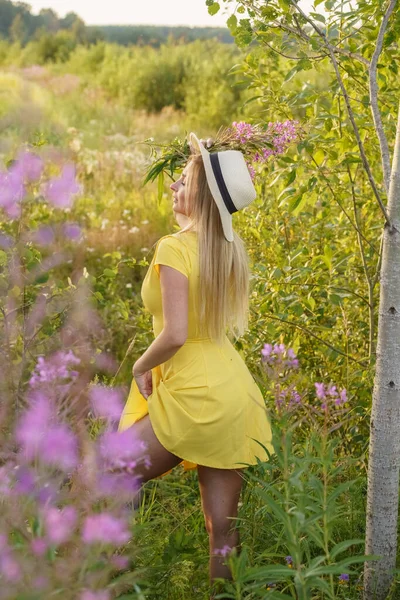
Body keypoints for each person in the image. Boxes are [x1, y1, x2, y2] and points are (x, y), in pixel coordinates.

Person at [118, 133, 274, 596]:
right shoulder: (227, 247)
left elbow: (175, 335)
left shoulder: (174, 247)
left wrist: (138, 366)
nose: (172, 187)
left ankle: (99, 581)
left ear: (201, 195)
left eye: (182, 181)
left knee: (102, 477)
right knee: (222, 536)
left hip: (194, 392)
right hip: (233, 391)